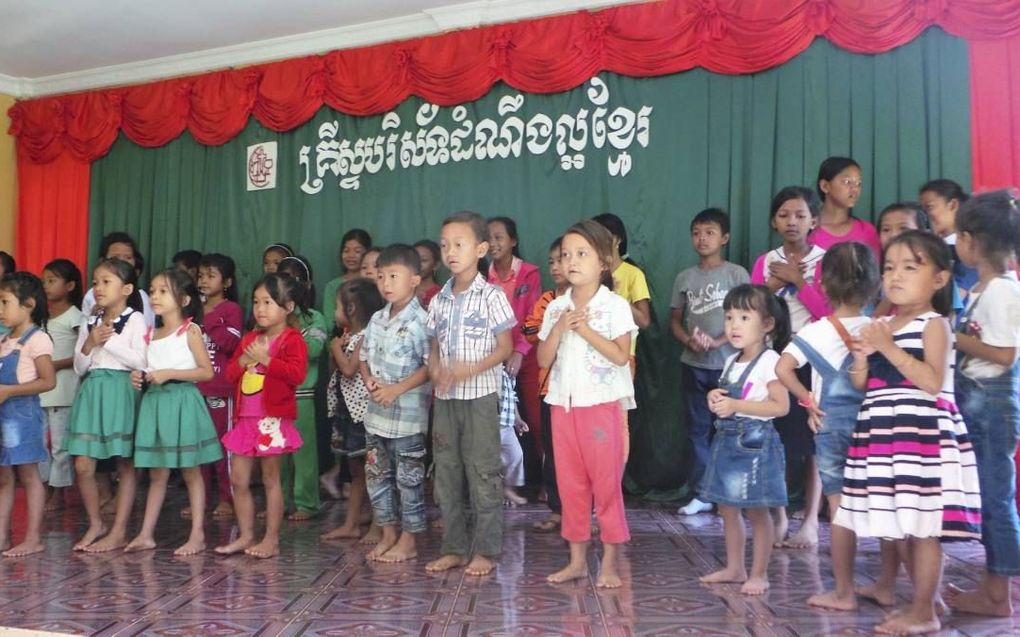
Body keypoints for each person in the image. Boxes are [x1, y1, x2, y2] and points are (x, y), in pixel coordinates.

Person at [834, 230, 981, 634]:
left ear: (939, 278)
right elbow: (864, 382)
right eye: (889, 268)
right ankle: (922, 600)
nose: (896, 276)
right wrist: (862, 357)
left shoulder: (935, 324)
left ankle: (925, 612)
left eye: (910, 268)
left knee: (923, 528)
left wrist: (888, 347)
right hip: (884, 434)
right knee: (902, 526)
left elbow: (932, 381)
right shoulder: (883, 324)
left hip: (921, 437)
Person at [774, 242, 880, 611]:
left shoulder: (817, 331)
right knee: (884, 506)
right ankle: (886, 584)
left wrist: (808, 400)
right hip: (876, 430)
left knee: (840, 509)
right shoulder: (878, 329)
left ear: (822, 287)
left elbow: (782, 368)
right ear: (874, 285)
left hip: (832, 428)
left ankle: (844, 590)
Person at [538, 220, 637, 589]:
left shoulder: (615, 307)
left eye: (582, 254)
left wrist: (586, 329)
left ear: (604, 263)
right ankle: (577, 561)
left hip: (601, 407)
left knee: (606, 485)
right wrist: (561, 328)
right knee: (570, 487)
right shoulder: (555, 308)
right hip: (562, 407)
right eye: (566, 255)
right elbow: (544, 359)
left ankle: (609, 562)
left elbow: (620, 356)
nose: (572, 261)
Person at [425, 211, 515, 577]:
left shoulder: (491, 296)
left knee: (483, 472)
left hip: (479, 397)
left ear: (480, 249)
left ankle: (486, 550)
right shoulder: (438, 300)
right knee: (446, 472)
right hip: (445, 400)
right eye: (445, 245)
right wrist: (435, 369)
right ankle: (454, 547)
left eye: (459, 244)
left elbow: (505, 347)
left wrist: (469, 369)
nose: (450, 252)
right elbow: (432, 346)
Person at [944, 190, 1020, 617]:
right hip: (977, 397)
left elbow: (1004, 353)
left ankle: (999, 593)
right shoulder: (984, 288)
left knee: (996, 499)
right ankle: (993, 588)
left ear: (971, 241)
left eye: (958, 237)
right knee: (989, 497)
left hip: (992, 401)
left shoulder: (1004, 292)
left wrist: (955, 338)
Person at [698, 284, 791, 595]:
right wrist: (716, 397)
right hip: (727, 443)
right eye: (728, 317)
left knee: (757, 511)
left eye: (744, 317)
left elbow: (780, 406)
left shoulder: (770, 361)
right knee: (726, 508)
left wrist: (736, 405)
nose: (734, 325)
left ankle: (760, 573)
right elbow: (728, 399)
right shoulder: (729, 360)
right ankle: (735, 567)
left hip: (756, 445)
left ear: (767, 325)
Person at [751, 186, 829, 548]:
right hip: (773, 355)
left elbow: (832, 314)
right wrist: (776, 282)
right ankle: (779, 515)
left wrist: (799, 282)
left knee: (814, 441)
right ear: (773, 220)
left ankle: (811, 520)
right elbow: (752, 309)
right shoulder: (766, 261)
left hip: (815, 355)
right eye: (784, 215)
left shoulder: (826, 261)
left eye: (800, 215)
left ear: (814, 220)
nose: (792, 222)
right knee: (774, 438)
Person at [127, 269, 222, 555]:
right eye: (153, 291)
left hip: (183, 401)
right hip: (156, 404)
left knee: (191, 472)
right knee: (157, 474)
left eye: (163, 291)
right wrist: (138, 377)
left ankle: (197, 535)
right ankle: (145, 534)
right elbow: (147, 369)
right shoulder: (149, 334)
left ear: (183, 299)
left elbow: (206, 372)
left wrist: (169, 373)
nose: (155, 296)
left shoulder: (190, 331)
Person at [215, 273, 308, 558]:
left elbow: (297, 375)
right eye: (256, 302)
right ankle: (245, 535)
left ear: (288, 307)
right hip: (245, 420)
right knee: (239, 480)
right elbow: (230, 374)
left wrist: (267, 359)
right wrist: (245, 359)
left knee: (270, 478)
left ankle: (271, 539)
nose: (260, 308)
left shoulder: (291, 339)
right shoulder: (250, 339)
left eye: (268, 302)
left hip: (272, 420)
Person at [671, 208, 749, 515]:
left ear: (725, 238)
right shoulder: (684, 277)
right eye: (696, 233)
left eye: (710, 232)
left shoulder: (736, 274)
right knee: (697, 431)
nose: (702, 239)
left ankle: (730, 494)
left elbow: (748, 318)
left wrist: (718, 342)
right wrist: (689, 340)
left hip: (730, 366)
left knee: (732, 430)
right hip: (694, 365)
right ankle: (703, 494)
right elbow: (675, 321)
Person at [66, 258, 148, 552]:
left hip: (121, 390)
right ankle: (96, 522)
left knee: (125, 463)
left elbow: (141, 360)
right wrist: (90, 343)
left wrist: (107, 342)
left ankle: (119, 529)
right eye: (96, 282)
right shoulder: (90, 321)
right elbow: (79, 366)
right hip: (92, 391)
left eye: (106, 282)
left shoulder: (135, 319)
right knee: (84, 465)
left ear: (126, 288)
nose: (98, 287)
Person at [359, 244, 432, 562]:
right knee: (377, 477)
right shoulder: (376, 318)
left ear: (415, 279)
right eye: (380, 277)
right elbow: (362, 358)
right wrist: (369, 380)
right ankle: (387, 533)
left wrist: (397, 389)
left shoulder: (422, 321)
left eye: (393, 276)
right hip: (375, 416)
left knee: (409, 480)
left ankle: (409, 539)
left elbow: (431, 367)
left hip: (407, 418)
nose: (386, 283)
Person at [320, 277, 384, 541]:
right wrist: (338, 350)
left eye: (337, 306)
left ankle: (379, 525)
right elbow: (336, 371)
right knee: (356, 471)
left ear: (352, 309)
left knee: (373, 470)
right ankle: (351, 523)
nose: (334, 312)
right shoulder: (351, 337)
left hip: (363, 414)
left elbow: (348, 370)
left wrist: (335, 347)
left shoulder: (365, 336)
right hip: (347, 412)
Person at [0, 273, 55, 557]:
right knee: (4, 477)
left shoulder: (38, 339)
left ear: (29, 304)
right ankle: (2, 536)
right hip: (3, 416)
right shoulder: (4, 339)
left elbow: (48, 381)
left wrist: (9, 390)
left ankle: (33, 537)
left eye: (5, 302)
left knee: (29, 476)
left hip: (22, 416)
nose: (0, 309)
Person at [487, 216, 543, 479]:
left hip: (529, 355)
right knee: (495, 422)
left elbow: (534, 316)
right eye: (488, 238)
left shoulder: (529, 273)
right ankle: (501, 484)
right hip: (493, 358)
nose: (493, 243)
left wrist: (520, 351)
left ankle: (546, 481)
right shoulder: (482, 277)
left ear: (513, 241)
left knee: (535, 417)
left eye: (499, 237)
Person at [276, 256, 329, 521]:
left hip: (302, 395)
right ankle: (281, 501)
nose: (290, 284)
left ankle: (306, 503)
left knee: (302, 452)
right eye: (284, 278)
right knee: (277, 454)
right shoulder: (270, 317)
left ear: (307, 284)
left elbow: (315, 349)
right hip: (274, 396)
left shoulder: (313, 318)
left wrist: (291, 334)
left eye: (296, 278)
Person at [522, 237, 568, 531]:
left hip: (583, 394)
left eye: (561, 258)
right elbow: (529, 332)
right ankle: (557, 510)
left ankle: (584, 513)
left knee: (581, 455)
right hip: (550, 389)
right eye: (551, 261)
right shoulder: (547, 301)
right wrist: (556, 329)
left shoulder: (594, 302)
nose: (556, 266)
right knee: (553, 452)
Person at [194, 253, 243, 519]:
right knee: (198, 445)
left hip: (220, 390)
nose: (203, 280)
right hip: (195, 389)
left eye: (211, 275)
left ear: (226, 282)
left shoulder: (230, 309)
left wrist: (209, 318)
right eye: (201, 275)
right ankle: (200, 497)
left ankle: (228, 498)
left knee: (224, 447)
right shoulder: (193, 309)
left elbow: (230, 343)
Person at [39, 259, 83, 511]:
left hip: (63, 391)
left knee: (60, 446)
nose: (46, 285)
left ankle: (58, 492)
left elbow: (82, 352)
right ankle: (43, 485)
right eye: (44, 280)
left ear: (69, 286)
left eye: (52, 280)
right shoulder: (44, 316)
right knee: (40, 443)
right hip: (43, 390)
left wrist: (56, 365)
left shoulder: (76, 317)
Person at [808, 157, 880, 256]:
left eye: (859, 183)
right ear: (825, 186)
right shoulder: (805, 229)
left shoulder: (867, 232)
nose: (855, 189)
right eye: (847, 182)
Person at [81, 232, 155, 326]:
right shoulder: (93, 294)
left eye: (128, 257)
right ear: (102, 261)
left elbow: (148, 329)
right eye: (115, 257)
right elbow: (84, 332)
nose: (122, 261)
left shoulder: (143, 296)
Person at [920, 179, 978, 297]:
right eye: (923, 210)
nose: (926, 216)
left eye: (930, 207)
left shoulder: (968, 249)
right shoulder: (933, 245)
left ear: (953, 205)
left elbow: (958, 295)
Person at [322, 229, 372, 327]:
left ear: (367, 253)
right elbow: (329, 323)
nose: (351, 256)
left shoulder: (371, 284)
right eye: (346, 251)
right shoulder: (332, 286)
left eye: (357, 251)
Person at [414, 239, 442, 309]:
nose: (418, 264)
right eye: (414, 259)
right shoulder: (404, 291)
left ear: (436, 265)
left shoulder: (441, 295)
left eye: (424, 260)